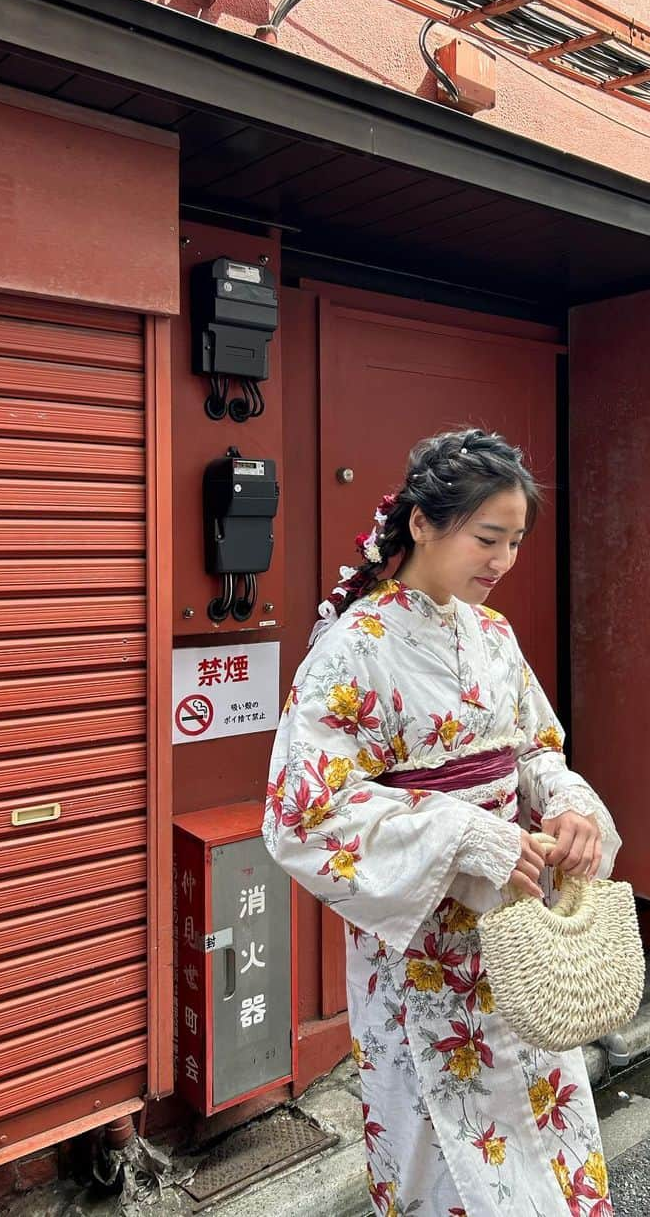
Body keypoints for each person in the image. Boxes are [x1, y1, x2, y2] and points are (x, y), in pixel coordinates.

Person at [263, 427, 621, 1217]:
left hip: (521, 930)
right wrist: (467, 836)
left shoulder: (492, 636)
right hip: (423, 945)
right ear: (422, 523)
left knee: (542, 1110)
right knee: (443, 1147)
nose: (502, 561)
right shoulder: (352, 649)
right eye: (487, 538)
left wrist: (566, 803)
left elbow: (533, 747)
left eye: (516, 541)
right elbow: (303, 814)